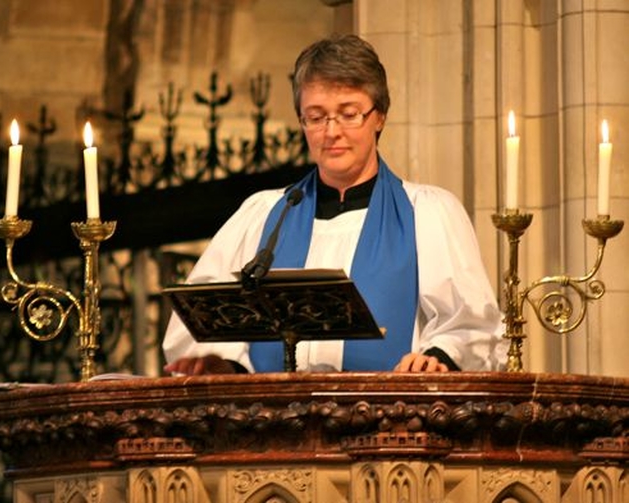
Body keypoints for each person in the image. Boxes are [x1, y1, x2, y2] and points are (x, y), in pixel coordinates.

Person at [163, 34, 506, 375]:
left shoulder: (427, 213)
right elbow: (200, 317)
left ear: (380, 116)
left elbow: (472, 326)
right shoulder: (265, 215)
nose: (331, 131)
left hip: (387, 420)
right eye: (316, 116)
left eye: (348, 114)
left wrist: (436, 357)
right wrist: (221, 364)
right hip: (269, 421)